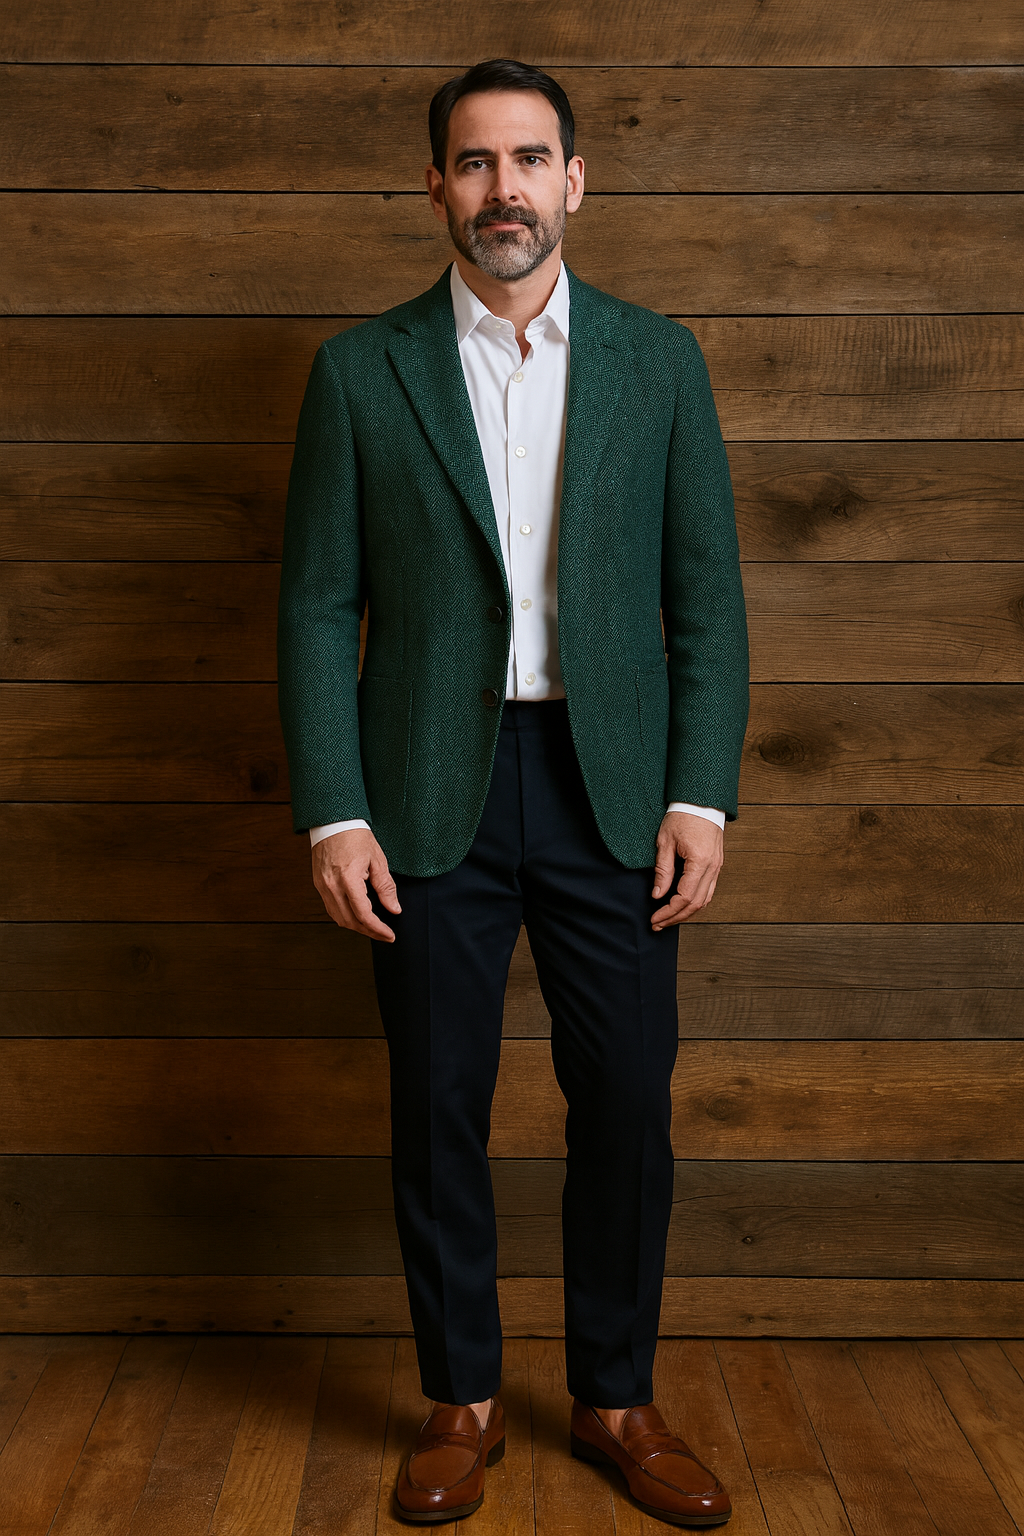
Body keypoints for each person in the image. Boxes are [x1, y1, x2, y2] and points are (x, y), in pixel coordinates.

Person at [277, 58, 748, 1528]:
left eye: (530, 161)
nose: (505, 191)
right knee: (441, 1102)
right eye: (475, 165)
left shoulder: (662, 362)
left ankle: (617, 1396)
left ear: (576, 182)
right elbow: (315, 605)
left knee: (625, 1104)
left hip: (614, 793)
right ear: (435, 188)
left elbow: (706, 604)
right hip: (428, 791)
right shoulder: (362, 372)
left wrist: (701, 796)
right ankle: (461, 1397)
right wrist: (334, 809)